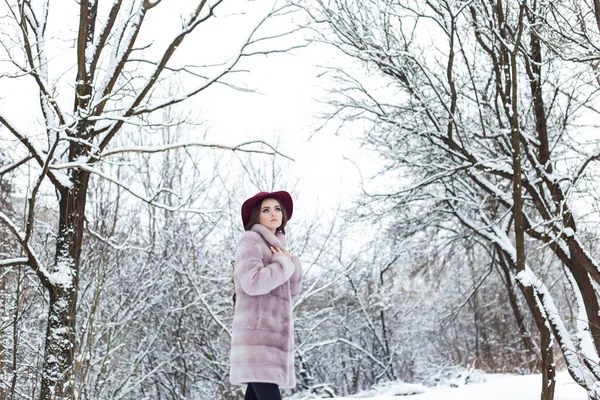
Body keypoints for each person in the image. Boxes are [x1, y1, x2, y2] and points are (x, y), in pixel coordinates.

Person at [230, 191, 303, 400]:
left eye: (277, 209)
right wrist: (282, 264)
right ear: (257, 216)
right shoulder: (251, 241)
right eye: (266, 210)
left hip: (272, 339)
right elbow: (252, 283)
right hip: (257, 340)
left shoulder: (278, 248)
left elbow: (293, 291)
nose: (274, 213)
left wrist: (292, 263)